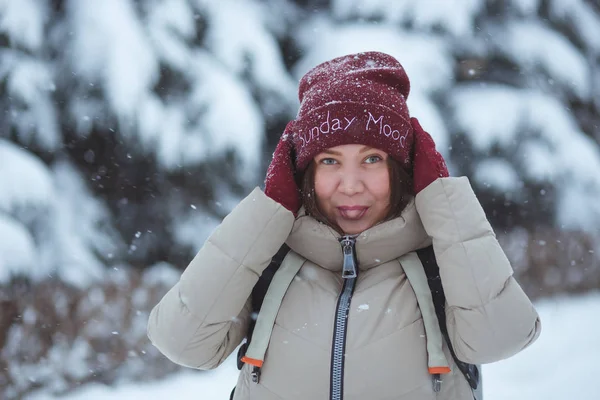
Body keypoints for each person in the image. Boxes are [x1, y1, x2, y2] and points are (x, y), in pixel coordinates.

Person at [147, 52, 541, 400]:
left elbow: (498, 338)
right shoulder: (268, 260)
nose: (351, 185)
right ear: (302, 174)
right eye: (329, 161)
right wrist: (268, 211)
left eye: (372, 159)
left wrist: (442, 196)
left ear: (402, 169)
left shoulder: (441, 259)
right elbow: (184, 343)